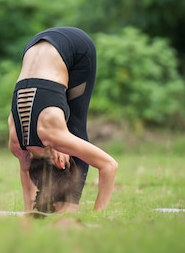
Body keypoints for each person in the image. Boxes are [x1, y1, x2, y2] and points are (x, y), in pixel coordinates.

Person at [8, 27, 118, 212]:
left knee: (76, 126)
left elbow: (110, 166)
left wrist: (99, 214)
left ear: (60, 163)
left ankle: (69, 203)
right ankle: (61, 202)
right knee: (69, 133)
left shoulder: (55, 136)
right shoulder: (17, 143)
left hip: (78, 47)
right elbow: (25, 168)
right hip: (34, 45)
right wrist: (29, 211)